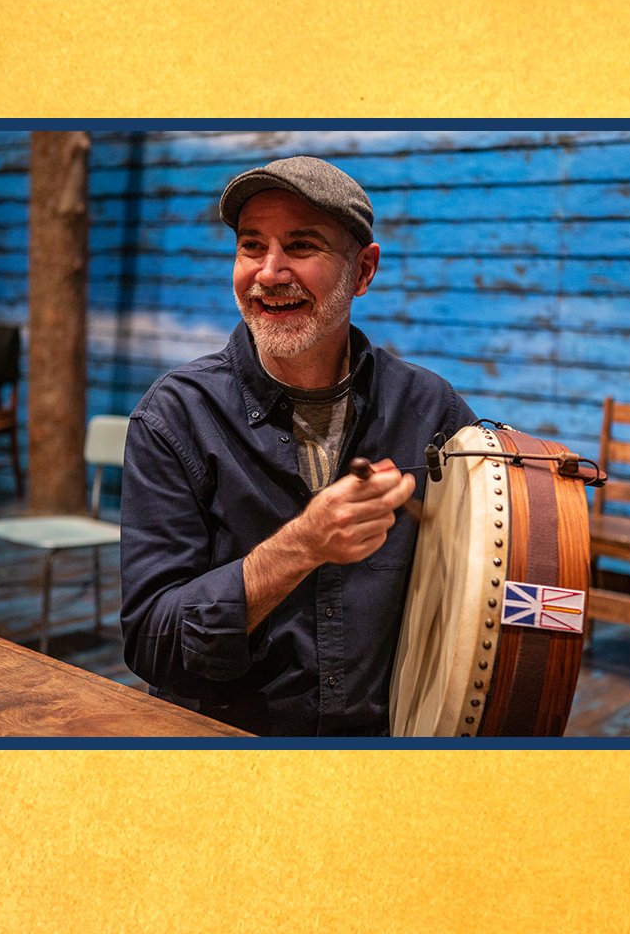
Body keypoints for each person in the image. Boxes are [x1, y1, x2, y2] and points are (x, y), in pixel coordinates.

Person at [120, 156, 476, 736]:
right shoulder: (175, 417)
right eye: (251, 246)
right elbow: (152, 642)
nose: (269, 272)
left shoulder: (430, 410)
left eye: (302, 246)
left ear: (363, 272)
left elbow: (499, 546)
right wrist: (300, 546)